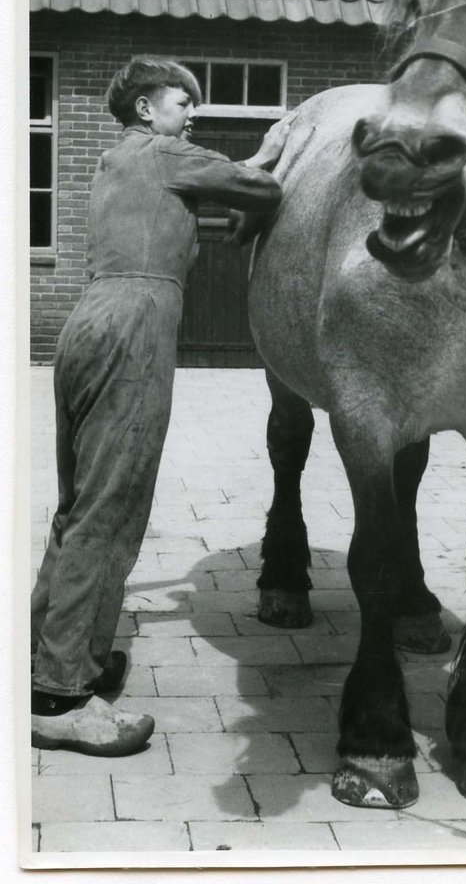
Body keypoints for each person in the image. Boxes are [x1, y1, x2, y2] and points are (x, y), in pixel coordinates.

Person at [31, 56, 287, 756]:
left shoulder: (115, 161)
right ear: (146, 108)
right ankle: (60, 698)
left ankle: (50, 659)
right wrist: (271, 148)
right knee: (110, 509)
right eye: (183, 101)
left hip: (89, 319)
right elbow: (260, 187)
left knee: (78, 504)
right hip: (137, 321)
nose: (193, 112)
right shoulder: (166, 153)